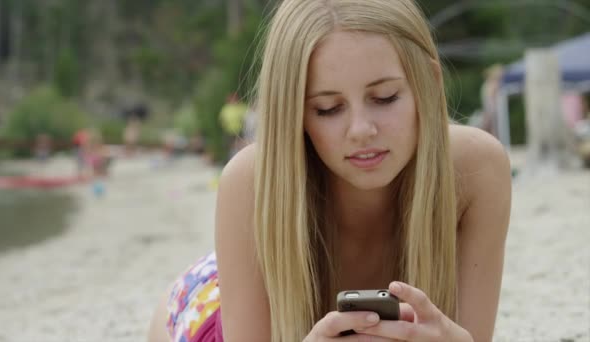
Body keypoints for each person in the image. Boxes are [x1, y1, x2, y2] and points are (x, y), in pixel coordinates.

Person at [148, 1, 511, 341]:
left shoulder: (477, 169)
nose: (361, 129)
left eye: (384, 98)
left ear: (429, 84)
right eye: (327, 108)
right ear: (295, 114)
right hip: (217, 300)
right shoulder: (251, 182)